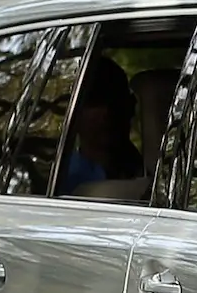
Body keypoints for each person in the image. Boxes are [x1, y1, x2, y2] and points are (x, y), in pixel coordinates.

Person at [59, 59, 142, 194]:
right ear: (73, 113)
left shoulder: (156, 173)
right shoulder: (62, 181)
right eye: (94, 101)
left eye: (116, 99)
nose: (106, 112)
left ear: (131, 105)